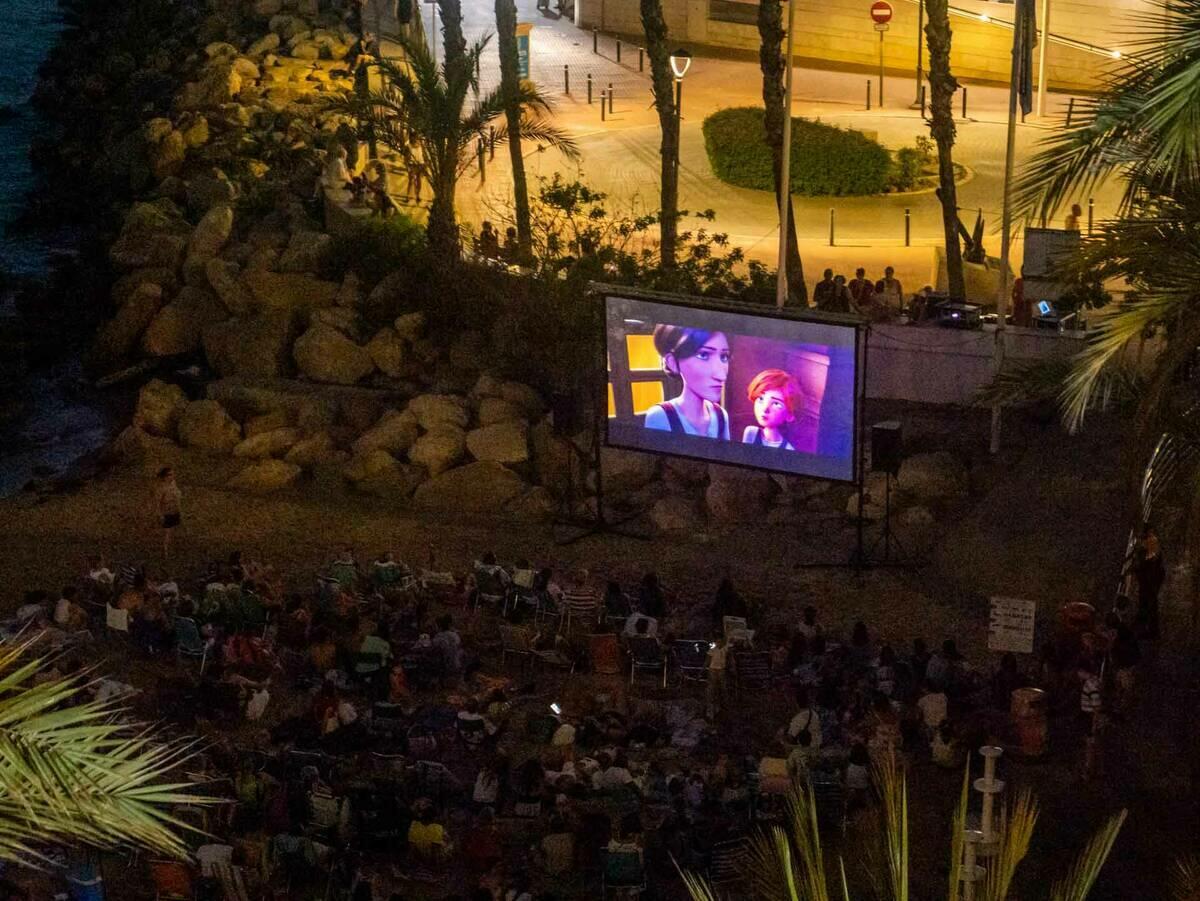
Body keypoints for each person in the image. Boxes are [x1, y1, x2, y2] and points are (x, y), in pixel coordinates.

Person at [643, 326, 730, 439]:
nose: (721, 375)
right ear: (673, 362)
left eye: (724, 356)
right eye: (704, 355)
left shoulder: (721, 415)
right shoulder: (660, 416)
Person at [742, 369, 802, 450]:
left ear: (789, 415)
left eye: (776, 403)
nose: (765, 409)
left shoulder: (788, 449)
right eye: (761, 398)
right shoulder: (751, 433)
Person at [1133, 523, 1164, 639]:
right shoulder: (1150, 541)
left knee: (1149, 602)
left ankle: (1150, 629)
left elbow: (1150, 559)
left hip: (1150, 578)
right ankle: (1147, 626)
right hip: (1151, 577)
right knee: (1148, 602)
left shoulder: (1150, 542)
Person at [154, 467, 182, 559]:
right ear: (164, 477)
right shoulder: (162, 488)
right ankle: (165, 553)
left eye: (173, 474)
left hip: (175, 511)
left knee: (173, 532)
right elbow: (157, 502)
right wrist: (160, 515)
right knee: (167, 534)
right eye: (169, 475)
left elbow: (177, 496)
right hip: (167, 513)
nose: (172, 476)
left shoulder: (173, 484)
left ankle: (171, 551)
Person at [705, 636, 728, 719]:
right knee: (712, 688)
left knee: (721, 688)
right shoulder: (713, 647)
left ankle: (720, 707)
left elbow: (729, 657)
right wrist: (703, 669)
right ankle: (710, 710)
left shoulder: (726, 648)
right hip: (713, 669)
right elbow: (708, 658)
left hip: (721, 669)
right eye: (718, 641)